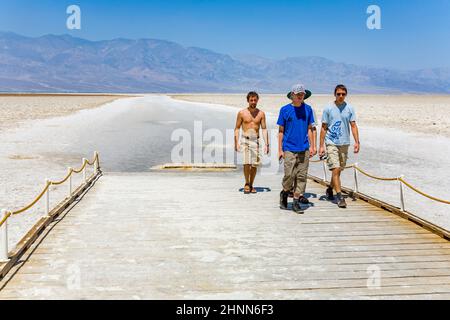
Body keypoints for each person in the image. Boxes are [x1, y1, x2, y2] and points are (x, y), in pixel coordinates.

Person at [319, 84, 360, 208]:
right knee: (335, 169)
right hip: (331, 142)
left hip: (344, 142)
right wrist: (321, 146)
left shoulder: (349, 108)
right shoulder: (328, 109)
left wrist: (357, 142)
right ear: (334, 94)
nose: (341, 96)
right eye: (338, 94)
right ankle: (340, 196)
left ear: (346, 94)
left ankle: (330, 188)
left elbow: (353, 125)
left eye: (343, 94)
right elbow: (324, 128)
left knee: (339, 169)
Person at [278, 84, 317, 213]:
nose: (300, 96)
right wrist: (279, 149)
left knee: (301, 176)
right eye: (298, 94)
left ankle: (295, 202)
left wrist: (313, 146)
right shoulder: (285, 110)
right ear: (292, 95)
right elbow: (281, 131)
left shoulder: (308, 109)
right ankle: (284, 192)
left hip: (304, 147)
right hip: (289, 147)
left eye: (302, 94)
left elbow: (310, 128)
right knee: (289, 175)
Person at [234, 91, 269, 194]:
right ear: (248, 101)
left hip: (256, 141)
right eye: (251, 100)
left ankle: (251, 184)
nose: (253, 102)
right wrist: (236, 142)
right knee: (246, 162)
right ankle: (246, 183)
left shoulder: (261, 114)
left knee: (254, 164)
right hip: (245, 139)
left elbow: (264, 129)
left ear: (257, 100)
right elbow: (236, 128)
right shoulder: (242, 113)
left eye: (255, 100)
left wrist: (267, 144)